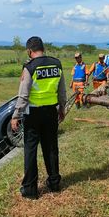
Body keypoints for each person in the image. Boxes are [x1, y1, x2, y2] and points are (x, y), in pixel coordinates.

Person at [11, 36, 67, 199]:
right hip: (51, 112)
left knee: (30, 150)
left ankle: (30, 189)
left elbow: (23, 95)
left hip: (33, 114)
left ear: (29, 51)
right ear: (43, 48)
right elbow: (61, 90)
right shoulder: (56, 64)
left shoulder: (30, 67)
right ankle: (54, 182)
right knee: (51, 148)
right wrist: (62, 108)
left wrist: (16, 115)